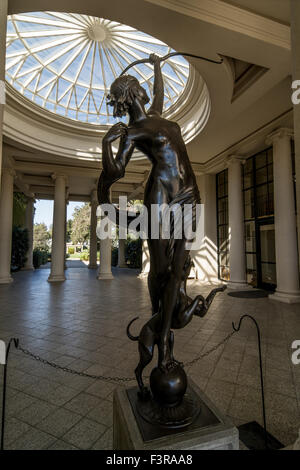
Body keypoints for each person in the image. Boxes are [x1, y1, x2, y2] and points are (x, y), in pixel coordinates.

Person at [98, 53, 200, 371]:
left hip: (188, 195)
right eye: (137, 86)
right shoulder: (132, 132)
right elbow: (115, 171)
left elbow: (159, 94)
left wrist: (157, 68)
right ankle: (164, 348)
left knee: (180, 268)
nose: (144, 90)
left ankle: (160, 331)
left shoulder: (156, 114)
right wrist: (106, 144)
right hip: (161, 200)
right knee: (161, 272)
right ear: (130, 93)